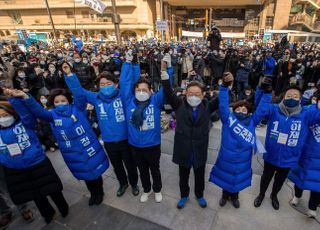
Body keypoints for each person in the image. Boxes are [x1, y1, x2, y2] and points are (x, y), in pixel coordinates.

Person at [14, 85, 109, 206]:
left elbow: (79, 94)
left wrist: (69, 75)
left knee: (96, 173)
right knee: (85, 174)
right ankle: (93, 194)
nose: (60, 103)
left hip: (89, 147)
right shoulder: (52, 115)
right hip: (73, 153)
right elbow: (38, 111)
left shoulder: (78, 108)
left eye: (63, 100)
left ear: (68, 100)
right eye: (57, 102)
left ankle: (99, 193)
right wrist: (26, 97)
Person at [63, 62, 139, 197]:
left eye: (108, 83)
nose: (105, 86)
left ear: (115, 84)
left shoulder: (122, 95)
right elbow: (79, 91)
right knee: (117, 166)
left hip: (126, 139)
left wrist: (129, 64)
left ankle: (134, 184)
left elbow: (128, 82)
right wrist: (69, 74)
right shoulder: (96, 97)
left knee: (131, 165)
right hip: (109, 141)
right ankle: (123, 183)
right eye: (102, 84)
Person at [161, 53, 219, 209]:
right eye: (190, 93)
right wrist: (164, 73)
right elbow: (168, 92)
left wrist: (226, 86)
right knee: (183, 176)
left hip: (199, 149)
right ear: (186, 93)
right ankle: (184, 195)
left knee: (200, 176)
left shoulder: (207, 106)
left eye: (197, 94)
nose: (193, 96)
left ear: (203, 95)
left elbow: (221, 100)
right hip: (183, 149)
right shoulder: (179, 105)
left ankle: (199, 195)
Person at [0, 93, 68, 224]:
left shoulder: (25, 122)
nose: (3, 119)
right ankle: (47, 213)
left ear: (12, 114)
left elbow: (26, 114)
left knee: (53, 189)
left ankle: (63, 208)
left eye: (5, 115)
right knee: (37, 195)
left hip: (37, 163)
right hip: (17, 170)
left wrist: (14, 99)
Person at [253, 85, 320, 210]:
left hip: (289, 159)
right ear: (283, 97)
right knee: (266, 177)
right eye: (289, 95)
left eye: (295, 96)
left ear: (300, 100)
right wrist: (264, 92)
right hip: (271, 155)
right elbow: (260, 108)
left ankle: (274, 195)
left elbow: (318, 114)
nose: (292, 98)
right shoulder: (273, 109)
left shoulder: (306, 114)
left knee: (279, 180)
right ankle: (261, 194)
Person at [210, 76, 272, 209]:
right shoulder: (228, 119)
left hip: (243, 160)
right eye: (238, 109)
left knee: (238, 180)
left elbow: (261, 110)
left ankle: (234, 197)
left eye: (244, 110)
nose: (241, 111)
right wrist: (224, 87)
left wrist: (267, 94)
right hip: (227, 157)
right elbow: (223, 104)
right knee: (225, 178)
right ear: (234, 110)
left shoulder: (252, 121)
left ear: (248, 112)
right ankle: (224, 195)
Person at [120, 50, 166, 203]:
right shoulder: (128, 102)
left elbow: (167, 88)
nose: (141, 92)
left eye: (144, 90)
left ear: (151, 91)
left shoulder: (155, 101)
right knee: (142, 171)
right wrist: (128, 64)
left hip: (153, 145)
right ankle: (146, 189)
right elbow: (125, 84)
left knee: (155, 170)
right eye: (138, 90)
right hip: (135, 146)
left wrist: (168, 69)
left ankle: (157, 189)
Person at [289, 92, 320, 218]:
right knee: (299, 176)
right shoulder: (309, 111)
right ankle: (297, 196)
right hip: (306, 152)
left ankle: (312, 208)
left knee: (317, 184)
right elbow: (303, 118)